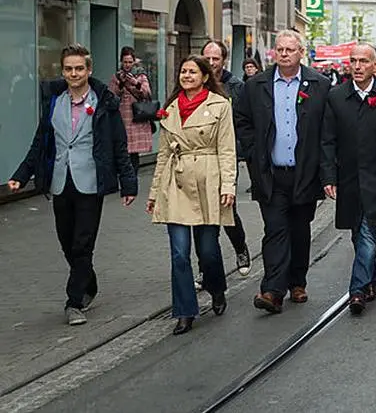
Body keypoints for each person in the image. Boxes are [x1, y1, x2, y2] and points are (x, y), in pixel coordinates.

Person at [9, 44, 139, 326]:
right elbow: (40, 143)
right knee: (67, 241)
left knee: (83, 242)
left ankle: (74, 300)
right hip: (60, 181)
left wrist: (129, 184)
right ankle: (88, 282)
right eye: (68, 68)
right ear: (63, 71)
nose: (74, 73)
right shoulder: (55, 101)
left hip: (90, 182)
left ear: (88, 70)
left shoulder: (104, 101)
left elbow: (119, 145)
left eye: (79, 68)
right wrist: (21, 174)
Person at [235, 30, 331, 314]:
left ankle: (297, 282)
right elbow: (242, 119)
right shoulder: (256, 85)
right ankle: (272, 290)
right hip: (270, 172)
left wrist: (325, 172)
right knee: (275, 230)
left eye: (290, 50)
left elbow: (327, 130)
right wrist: (253, 151)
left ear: (301, 52)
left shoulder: (319, 84)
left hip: (304, 172)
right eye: (280, 49)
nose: (284, 54)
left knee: (299, 230)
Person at [147, 56, 236, 335]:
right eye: (183, 71)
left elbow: (227, 149)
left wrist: (228, 186)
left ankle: (217, 287)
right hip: (176, 183)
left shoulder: (220, 106)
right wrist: (153, 192)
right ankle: (185, 311)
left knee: (208, 250)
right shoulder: (170, 109)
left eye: (192, 71)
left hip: (208, 180)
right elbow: (163, 154)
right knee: (179, 253)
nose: (186, 76)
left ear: (205, 76)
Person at [320, 44, 376, 317]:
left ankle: (357, 290)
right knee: (358, 233)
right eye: (354, 61)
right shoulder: (337, 96)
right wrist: (328, 175)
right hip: (348, 176)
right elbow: (327, 139)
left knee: (369, 231)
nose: (358, 66)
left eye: (364, 61)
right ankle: (371, 280)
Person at [201, 40, 252, 277]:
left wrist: (242, 149)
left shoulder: (236, 86)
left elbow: (244, 121)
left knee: (225, 207)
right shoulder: (194, 83)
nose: (211, 64)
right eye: (207, 58)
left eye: (216, 59)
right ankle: (206, 268)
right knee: (201, 215)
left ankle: (240, 247)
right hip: (199, 158)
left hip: (226, 156)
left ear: (224, 60)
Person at [109, 46, 153, 182]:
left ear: (134, 62)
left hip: (136, 116)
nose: (127, 65)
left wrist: (137, 84)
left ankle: (132, 176)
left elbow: (147, 93)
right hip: (122, 116)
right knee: (123, 148)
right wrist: (121, 85)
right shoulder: (117, 76)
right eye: (125, 62)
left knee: (134, 151)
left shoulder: (141, 75)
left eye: (130, 62)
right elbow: (111, 95)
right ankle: (124, 176)